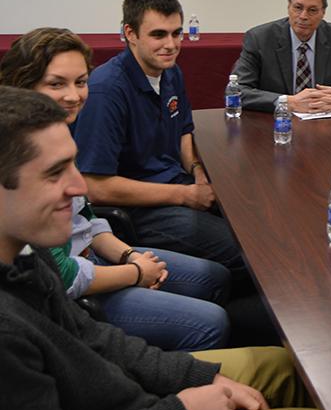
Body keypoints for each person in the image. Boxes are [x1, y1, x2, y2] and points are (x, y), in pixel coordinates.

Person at [0, 86, 318, 410]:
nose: (80, 187)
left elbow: (91, 336)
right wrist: (182, 409)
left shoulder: (27, 250)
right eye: (54, 173)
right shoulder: (7, 332)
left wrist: (195, 378)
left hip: (129, 389)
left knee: (288, 368)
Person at [0, 27, 231, 351]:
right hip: (73, 289)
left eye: (81, 82)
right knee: (211, 322)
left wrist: (127, 254)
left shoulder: (61, 132)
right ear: (24, 86)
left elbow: (88, 219)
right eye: (56, 84)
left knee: (216, 278)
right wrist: (135, 272)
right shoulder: (18, 156)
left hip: (95, 255)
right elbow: (60, 274)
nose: (73, 95)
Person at [70, 0, 249, 287]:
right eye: (158, 35)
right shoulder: (106, 91)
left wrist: (196, 171)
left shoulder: (170, 72)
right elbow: (94, 186)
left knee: (253, 222)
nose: (171, 44)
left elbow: (183, 132)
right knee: (243, 250)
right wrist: (185, 195)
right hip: (140, 210)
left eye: (176, 33)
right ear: (130, 33)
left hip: (177, 185)